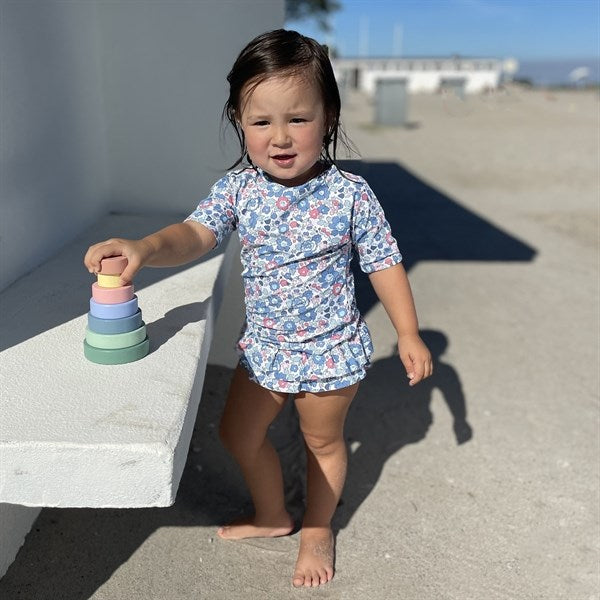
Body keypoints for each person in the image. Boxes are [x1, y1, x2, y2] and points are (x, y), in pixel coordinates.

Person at [84, 29, 432, 588]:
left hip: (329, 351)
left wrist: (408, 333)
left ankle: (317, 527)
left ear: (329, 116)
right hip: (265, 349)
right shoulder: (240, 189)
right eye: (262, 121)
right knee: (239, 435)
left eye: (298, 118)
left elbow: (384, 262)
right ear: (239, 122)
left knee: (323, 442)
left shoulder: (351, 195)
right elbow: (196, 233)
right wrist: (145, 248)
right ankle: (273, 514)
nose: (281, 137)